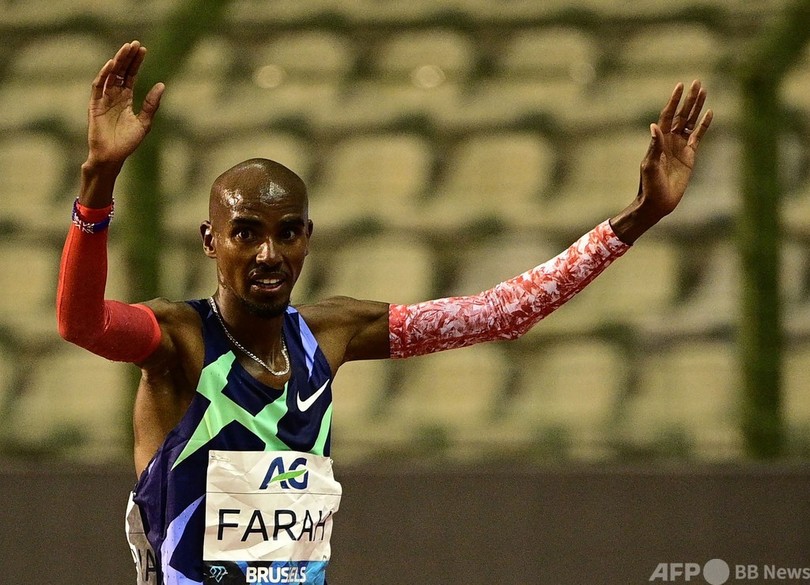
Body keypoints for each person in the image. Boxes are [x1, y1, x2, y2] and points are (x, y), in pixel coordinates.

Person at [56, 40, 712, 585]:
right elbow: (81, 323)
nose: (268, 253)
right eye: (245, 231)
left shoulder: (331, 334)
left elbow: (499, 313)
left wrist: (639, 217)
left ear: (308, 237)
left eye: (288, 233)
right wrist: (97, 180)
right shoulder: (179, 341)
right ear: (210, 240)